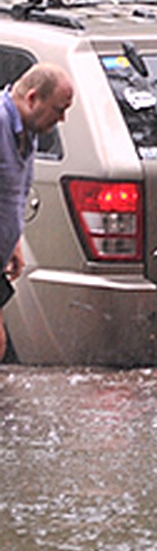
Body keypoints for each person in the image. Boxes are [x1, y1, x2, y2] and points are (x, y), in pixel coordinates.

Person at [1, 62, 74, 358]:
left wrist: (13, 242)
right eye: (58, 109)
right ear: (32, 98)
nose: (62, 118)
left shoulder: (26, 132)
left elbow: (10, 194)